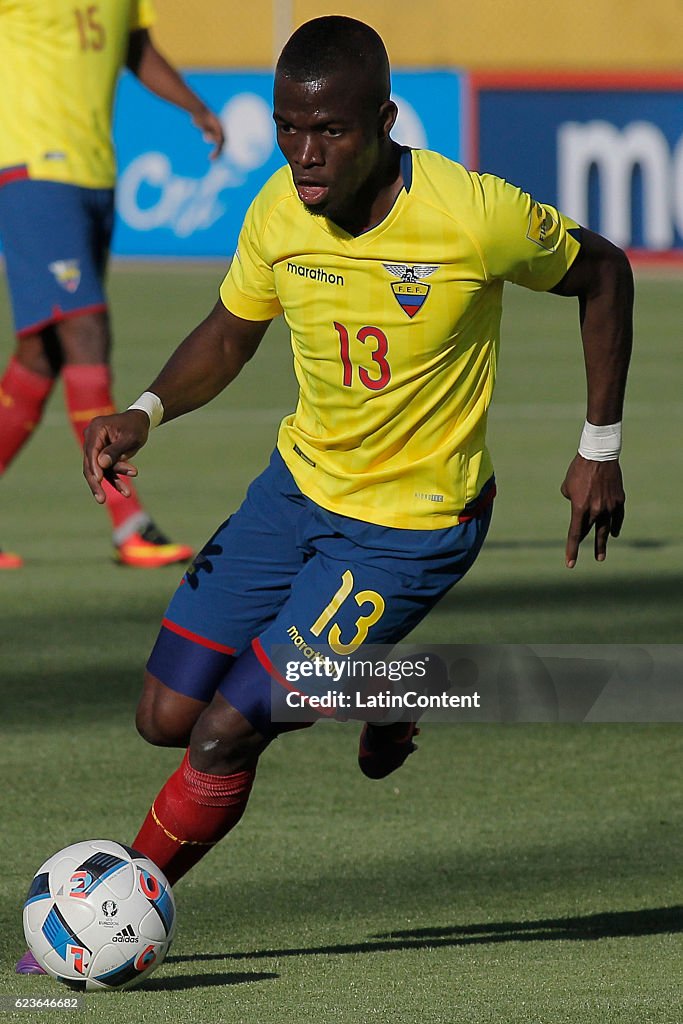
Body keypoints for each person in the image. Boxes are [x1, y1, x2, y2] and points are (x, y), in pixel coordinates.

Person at [16, 15, 633, 972]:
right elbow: (230, 331)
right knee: (164, 719)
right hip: (292, 496)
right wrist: (143, 409)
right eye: (287, 129)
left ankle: (106, 914)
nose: (305, 156)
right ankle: (376, 688)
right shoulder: (278, 209)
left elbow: (604, 271)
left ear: (384, 121)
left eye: (330, 133)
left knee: (223, 736)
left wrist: (598, 446)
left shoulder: (472, 213)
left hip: (408, 529)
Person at [0, 0, 225, 569]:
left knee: (43, 354)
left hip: (95, 172)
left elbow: (135, 47)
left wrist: (194, 106)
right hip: (31, 167)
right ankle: (130, 522)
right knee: (85, 329)